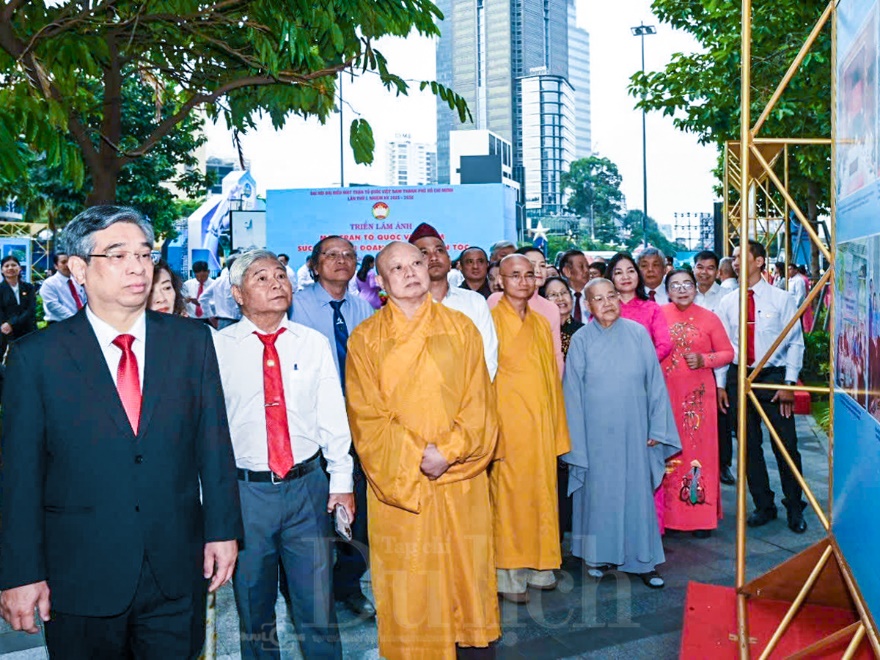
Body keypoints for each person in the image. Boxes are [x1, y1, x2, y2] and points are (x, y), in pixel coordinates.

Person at [0, 205, 242, 657]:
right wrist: (19, 573)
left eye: (145, 253)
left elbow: (213, 443)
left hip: (175, 566)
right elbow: (20, 476)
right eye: (117, 254)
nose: (137, 266)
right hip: (80, 574)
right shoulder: (37, 357)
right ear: (78, 268)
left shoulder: (190, 342)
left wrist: (223, 531)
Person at [345, 241, 500, 659]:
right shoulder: (365, 339)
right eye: (397, 267)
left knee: (465, 577)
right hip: (402, 483)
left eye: (416, 262)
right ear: (380, 281)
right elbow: (366, 417)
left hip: (458, 475)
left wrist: (448, 451)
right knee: (410, 583)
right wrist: (418, 455)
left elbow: (479, 403)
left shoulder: (461, 327)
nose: (411, 271)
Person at [214, 249, 354, 658]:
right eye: (262, 278)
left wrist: (342, 482)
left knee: (317, 606)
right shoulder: (218, 348)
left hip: (307, 490)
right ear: (238, 294)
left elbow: (333, 414)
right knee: (253, 608)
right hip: (246, 495)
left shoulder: (311, 343)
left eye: (280, 275)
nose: (277, 283)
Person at [562, 278, 680, 589]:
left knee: (637, 496)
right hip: (595, 434)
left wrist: (658, 425)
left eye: (611, 296)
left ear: (619, 298)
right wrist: (576, 440)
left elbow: (655, 383)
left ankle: (643, 561)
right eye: (597, 299)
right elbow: (571, 393)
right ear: (587, 306)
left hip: (635, 431)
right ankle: (600, 557)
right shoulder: (582, 340)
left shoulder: (639, 334)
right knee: (599, 496)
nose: (607, 303)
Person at [291, 236, 376, 618]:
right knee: (313, 507)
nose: (341, 261)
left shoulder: (364, 309)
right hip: (309, 422)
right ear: (314, 264)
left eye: (348, 255)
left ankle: (348, 585)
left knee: (355, 505)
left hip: (356, 421)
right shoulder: (295, 306)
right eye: (331, 254)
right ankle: (307, 591)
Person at [492, 256, 570, 603]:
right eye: (514, 275)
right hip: (507, 423)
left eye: (529, 275)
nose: (523, 282)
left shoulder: (540, 322)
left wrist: (556, 425)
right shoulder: (488, 320)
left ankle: (541, 565)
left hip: (539, 423)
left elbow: (552, 376)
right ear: (500, 281)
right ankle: (508, 573)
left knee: (542, 494)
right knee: (509, 498)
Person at [716, 240, 808, 534]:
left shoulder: (782, 299)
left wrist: (789, 383)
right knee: (748, 445)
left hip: (774, 378)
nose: (736, 261)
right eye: (733, 257)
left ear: (758, 261)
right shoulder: (728, 302)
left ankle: (795, 507)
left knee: (787, 446)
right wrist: (722, 385)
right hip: (738, 378)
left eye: (742, 256)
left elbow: (795, 343)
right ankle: (763, 505)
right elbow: (724, 347)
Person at [660, 270, 734, 537]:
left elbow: (728, 352)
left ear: (695, 288)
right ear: (667, 290)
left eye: (687, 284)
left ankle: (699, 516)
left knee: (699, 454)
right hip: (666, 396)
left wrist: (705, 360)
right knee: (669, 453)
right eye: (675, 285)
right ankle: (667, 516)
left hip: (699, 399)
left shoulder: (709, 318)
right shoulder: (658, 315)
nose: (682, 290)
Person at [409, 222, 498, 379]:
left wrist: (471, 397)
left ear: (449, 260)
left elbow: (488, 357)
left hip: (470, 398)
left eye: (439, 250)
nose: (434, 257)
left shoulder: (474, 301)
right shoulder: (405, 307)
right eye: (424, 253)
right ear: (412, 264)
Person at [488, 246, 564, 376]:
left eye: (543, 265)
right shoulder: (496, 300)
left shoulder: (551, 308)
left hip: (539, 379)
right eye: (532, 265)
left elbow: (556, 354)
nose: (538, 270)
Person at [608, 252, 672, 362]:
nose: (625, 277)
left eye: (631, 271)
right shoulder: (604, 308)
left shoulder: (652, 308)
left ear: (638, 275)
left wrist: (643, 364)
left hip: (644, 372)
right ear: (611, 277)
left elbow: (664, 345)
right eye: (619, 273)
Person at [0, 255, 37, 356]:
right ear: (2, 270)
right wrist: (4, 325)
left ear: (19, 268)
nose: (10, 268)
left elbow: (31, 310)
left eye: (13, 265)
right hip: (7, 334)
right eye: (6, 266)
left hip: (28, 331)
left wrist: (11, 323)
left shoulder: (29, 287)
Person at [541, 276, 584, 358]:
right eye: (553, 294)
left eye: (564, 293)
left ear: (571, 297)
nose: (560, 298)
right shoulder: (540, 332)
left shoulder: (583, 331)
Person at [39, 252, 87, 323]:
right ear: (56, 266)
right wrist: (74, 318)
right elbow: (53, 305)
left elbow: (84, 300)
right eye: (63, 262)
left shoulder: (77, 280)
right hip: (59, 324)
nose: (67, 265)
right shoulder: (49, 284)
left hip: (79, 322)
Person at [200, 253, 242, 328]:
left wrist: (210, 316)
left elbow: (203, 298)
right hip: (228, 321)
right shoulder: (221, 281)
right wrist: (210, 316)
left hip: (227, 322)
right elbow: (202, 298)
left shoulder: (219, 281)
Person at [559, 249, 589, 322]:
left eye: (587, 266)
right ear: (567, 271)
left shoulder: (595, 295)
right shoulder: (559, 299)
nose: (586, 270)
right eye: (581, 267)